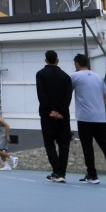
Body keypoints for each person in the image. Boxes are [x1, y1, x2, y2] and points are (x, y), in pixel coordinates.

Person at [70, 54, 106, 185]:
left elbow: (66, 92)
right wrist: (98, 108)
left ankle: (92, 175)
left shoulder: (74, 76)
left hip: (84, 118)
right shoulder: (98, 77)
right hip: (100, 118)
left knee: (87, 147)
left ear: (77, 63)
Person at [36, 49, 73, 183]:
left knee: (49, 144)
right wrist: (60, 112)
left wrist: (49, 111)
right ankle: (61, 172)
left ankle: (57, 171)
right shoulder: (66, 77)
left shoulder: (40, 74)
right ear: (57, 60)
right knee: (63, 144)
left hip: (47, 116)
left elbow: (42, 95)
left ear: (45, 60)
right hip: (63, 116)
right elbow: (68, 97)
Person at [0, 106, 18, 170]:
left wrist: (8, 136)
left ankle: (12, 158)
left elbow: (7, 126)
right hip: (0, 136)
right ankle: (6, 165)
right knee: (0, 151)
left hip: (4, 136)